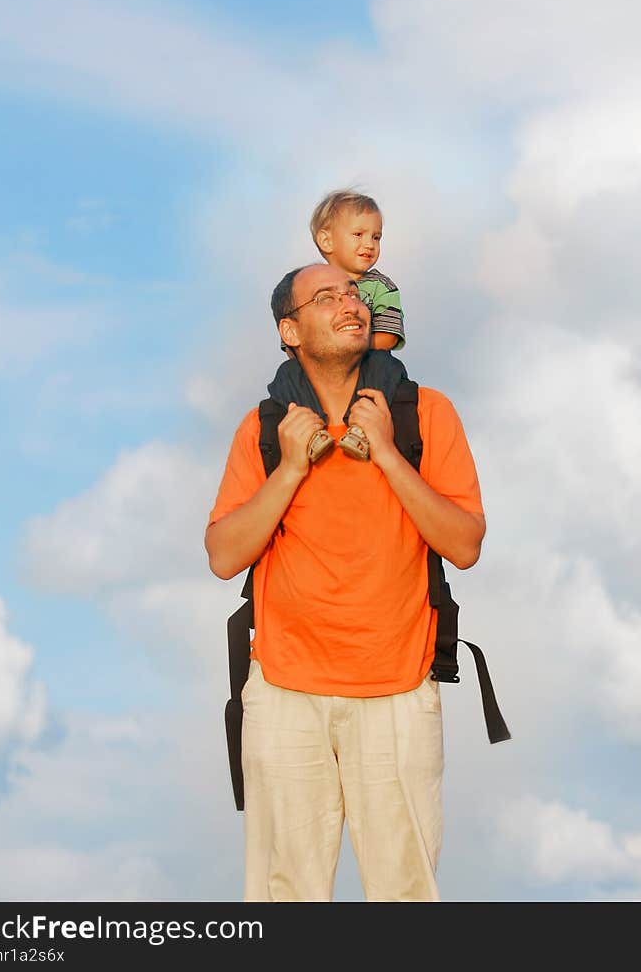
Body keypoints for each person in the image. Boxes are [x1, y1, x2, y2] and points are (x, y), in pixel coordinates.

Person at [205, 262, 486, 902]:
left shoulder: (424, 414)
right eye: (326, 296)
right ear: (290, 329)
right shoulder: (264, 429)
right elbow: (224, 556)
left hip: (399, 687)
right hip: (283, 690)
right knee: (285, 896)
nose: (350, 302)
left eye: (354, 292)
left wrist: (386, 451)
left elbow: (464, 544)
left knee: (404, 894)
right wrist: (288, 470)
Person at [268, 189, 408, 463]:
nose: (369, 244)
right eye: (358, 235)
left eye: (376, 237)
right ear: (326, 240)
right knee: (288, 374)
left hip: (368, 361)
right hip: (323, 375)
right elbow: (293, 345)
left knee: (386, 368)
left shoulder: (382, 287)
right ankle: (311, 431)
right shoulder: (305, 286)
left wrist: (349, 342)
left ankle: (361, 431)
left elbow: (389, 336)